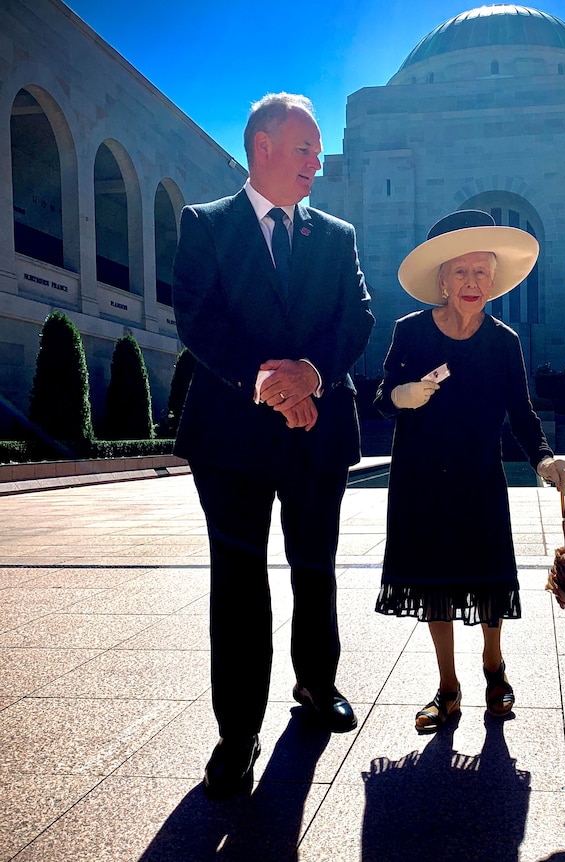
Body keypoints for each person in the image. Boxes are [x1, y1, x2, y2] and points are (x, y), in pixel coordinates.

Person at [172, 92, 374, 797]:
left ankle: (315, 687)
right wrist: (270, 383)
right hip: (230, 431)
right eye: (304, 149)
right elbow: (197, 318)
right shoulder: (204, 226)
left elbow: (359, 316)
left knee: (314, 564)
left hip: (319, 429)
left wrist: (312, 377)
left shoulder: (338, 235)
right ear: (262, 146)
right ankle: (237, 734)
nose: (317, 163)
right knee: (238, 580)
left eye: (317, 152)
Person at [373, 210, 565, 732]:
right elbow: (378, 397)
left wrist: (545, 458)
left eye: (481, 273)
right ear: (441, 280)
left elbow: (522, 413)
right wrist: (402, 395)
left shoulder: (504, 342)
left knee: (487, 583)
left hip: (479, 479)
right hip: (419, 480)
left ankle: (493, 667)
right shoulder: (409, 334)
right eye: (460, 273)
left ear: (494, 280)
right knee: (433, 584)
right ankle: (447, 688)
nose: (471, 283)